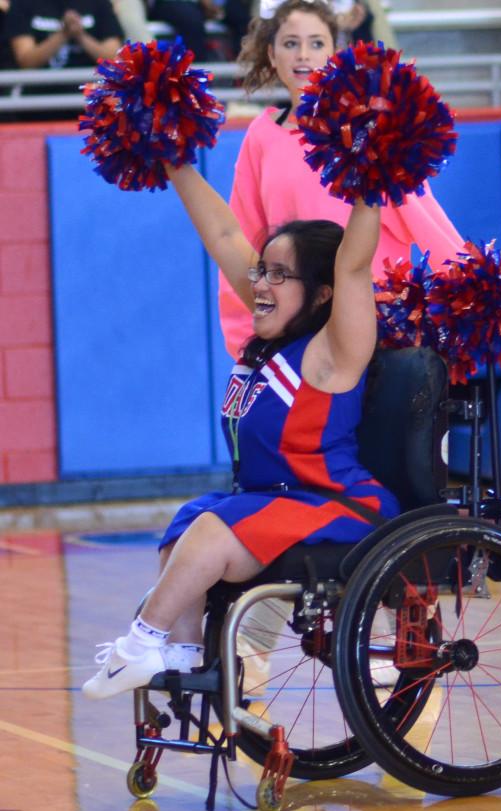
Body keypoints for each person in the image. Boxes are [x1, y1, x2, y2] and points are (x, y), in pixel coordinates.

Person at [82, 163, 396, 699]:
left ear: (321, 294)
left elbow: (353, 266)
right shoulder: (273, 339)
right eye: (261, 272)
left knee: (209, 529)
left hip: (338, 504)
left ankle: (137, 645)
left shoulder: (332, 353)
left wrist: (376, 175)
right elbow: (225, 234)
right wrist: (175, 162)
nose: (260, 283)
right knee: (191, 521)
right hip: (275, 501)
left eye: (278, 275)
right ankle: (183, 653)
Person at [221, 0, 462, 359]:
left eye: (317, 43)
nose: (303, 54)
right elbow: (242, 241)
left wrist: (470, 290)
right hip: (298, 334)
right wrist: (248, 337)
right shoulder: (259, 136)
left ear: (335, 53)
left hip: (377, 324)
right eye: (290, 43)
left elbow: (425, 216)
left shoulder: (365, 129)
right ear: (271, 55)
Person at [6, 0, 121, 72]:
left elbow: (113, 59)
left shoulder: (99, 3)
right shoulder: (22, 3)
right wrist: (63, 34)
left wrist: (81, 37)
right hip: (38, 95)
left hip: (92, 95)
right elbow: (26, 62)